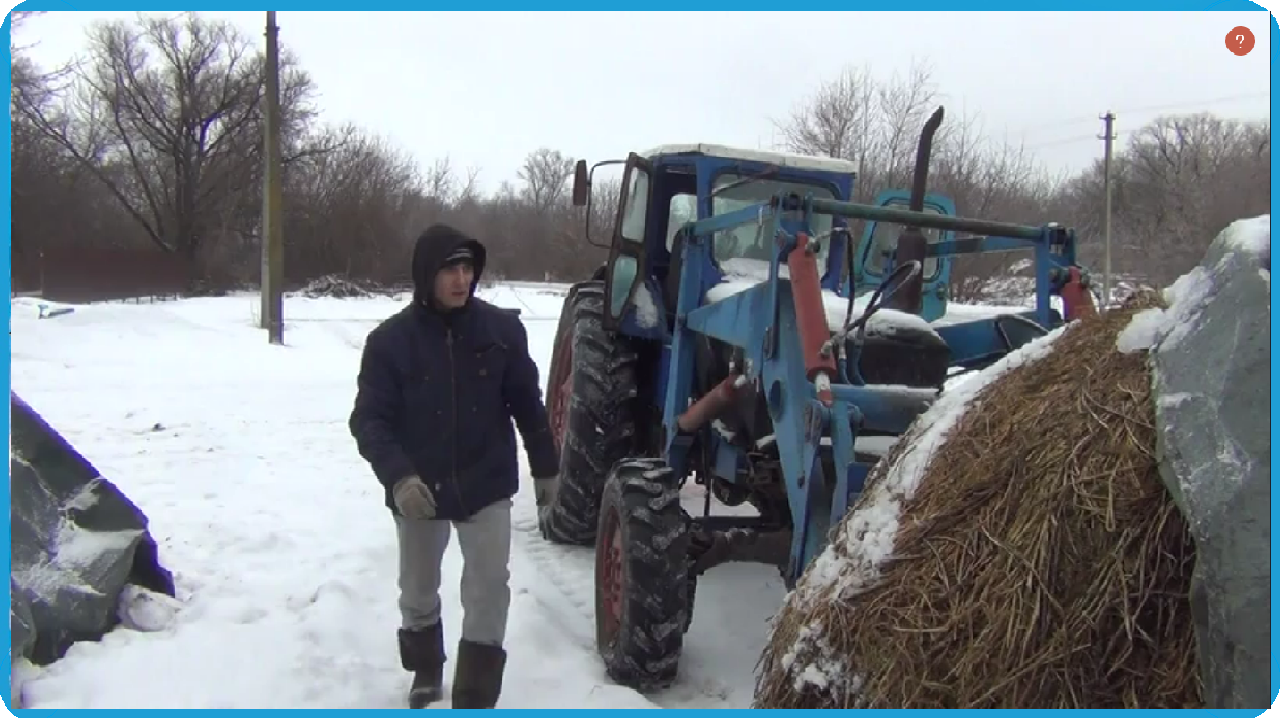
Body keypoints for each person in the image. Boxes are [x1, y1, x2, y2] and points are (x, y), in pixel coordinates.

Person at [348, 223, 559, 709]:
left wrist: (546, 465)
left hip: (485, 481)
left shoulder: (503, 331)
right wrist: (400, 478)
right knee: (418, 588)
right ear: (427, 275)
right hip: (419, 487)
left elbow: (527, 403)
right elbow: (368, 419)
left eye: (468, 268)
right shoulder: (390, 342)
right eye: (450, 269)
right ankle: (425, 667)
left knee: (489, 587)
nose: (462, 279)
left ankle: (475, 694)